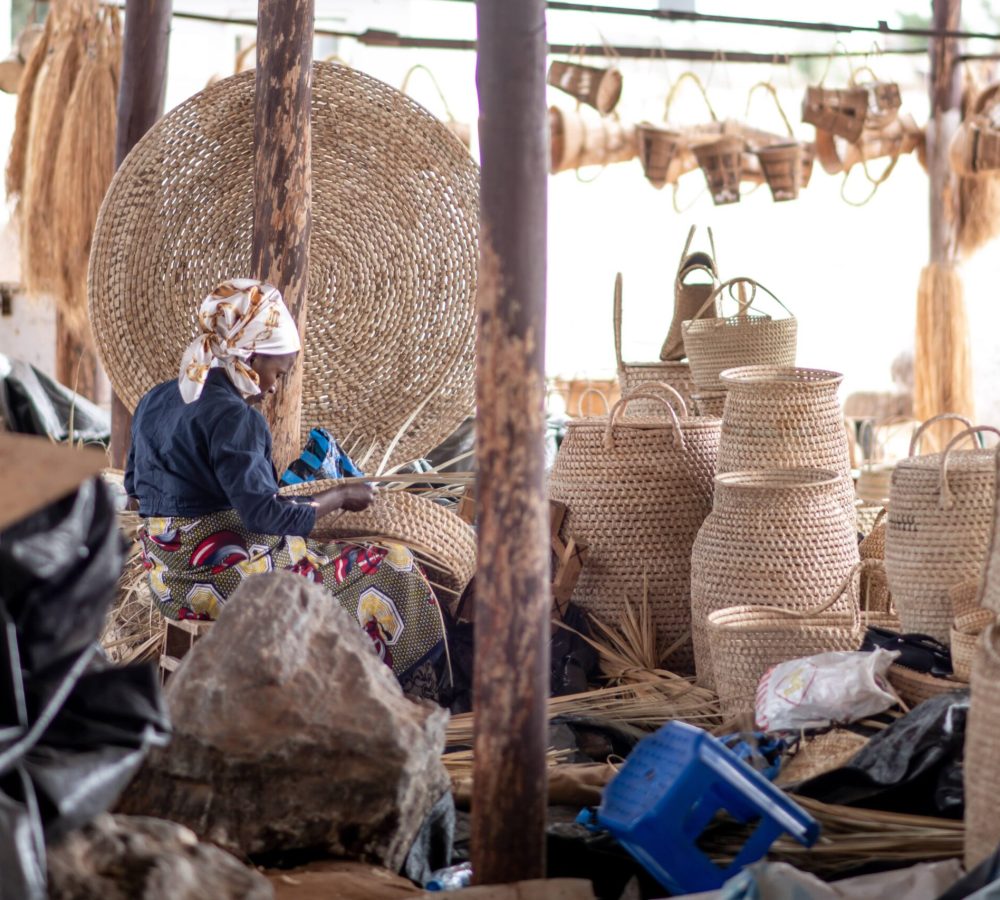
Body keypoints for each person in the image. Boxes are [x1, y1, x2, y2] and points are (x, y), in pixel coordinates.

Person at [124, 278, 446, 696]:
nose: (274, 386)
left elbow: (134, 491)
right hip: (226, 585)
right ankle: (398, 698)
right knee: (391, 564)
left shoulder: (158, 398)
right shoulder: (236, 417)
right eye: (277, 372)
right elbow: (265, 516)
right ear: (250, 353)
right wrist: (341, 496)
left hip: (168, 581)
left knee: (314, 558)